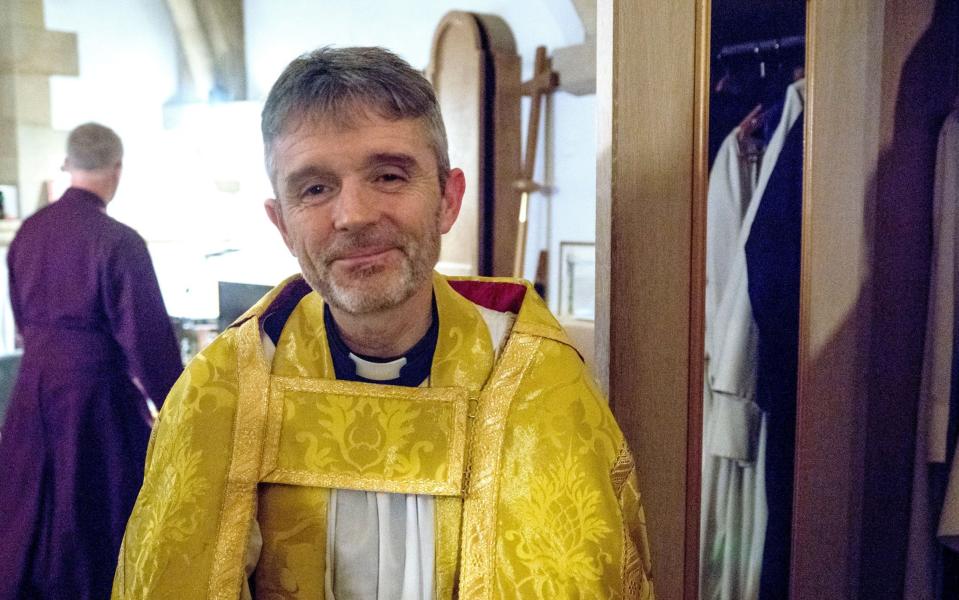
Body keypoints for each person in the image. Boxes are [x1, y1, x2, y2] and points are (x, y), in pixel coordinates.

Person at [114, 47, 654, 599]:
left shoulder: (537, 384)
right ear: (281, 223)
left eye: (389, 175)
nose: (354, 216)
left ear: (448, 198)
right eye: (315, 188)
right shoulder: (224, 390)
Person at [0, 122, 183, 599]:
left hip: (32, 392)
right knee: (95, 520)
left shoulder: (28, 234)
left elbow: (22, 318)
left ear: (68, 166)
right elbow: (146, 340)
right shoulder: (119, 242)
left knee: (29, 513)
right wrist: (183, 405)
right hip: (95, 399)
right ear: (117, 170)